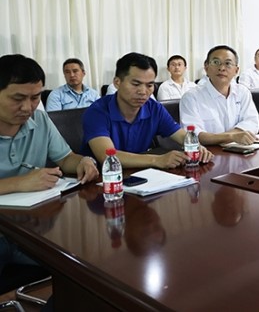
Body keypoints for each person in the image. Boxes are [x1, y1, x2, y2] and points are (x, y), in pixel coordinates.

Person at [0, 54, 99, 273]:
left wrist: (83, 161)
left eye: (35, 97)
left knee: (89, 261)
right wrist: (18, 183)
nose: (28, 107)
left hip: (32, 228)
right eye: (18, 98)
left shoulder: (40, 119)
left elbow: (65, 158)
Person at [82, 52, 213, 168]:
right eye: (136, 84)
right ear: (117, 82)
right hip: (103, 178)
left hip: (141, 174)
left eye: (149, 85)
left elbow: (181, 135)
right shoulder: (97, 112)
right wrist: (157, 160)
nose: (143, 91)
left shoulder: (154, 108)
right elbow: (107, 156)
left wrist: (197, 147)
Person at [180, 45, 259, 146]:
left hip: (240, 149)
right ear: (206, 67)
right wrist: (231, 137)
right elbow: (194, 136)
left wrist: (220, 137)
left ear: (236, 70)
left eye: (228, 63)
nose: (222, 68)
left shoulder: (242, 92)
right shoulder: (191, 97)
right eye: (216, 62)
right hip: (208, 152)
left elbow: (252, 123)